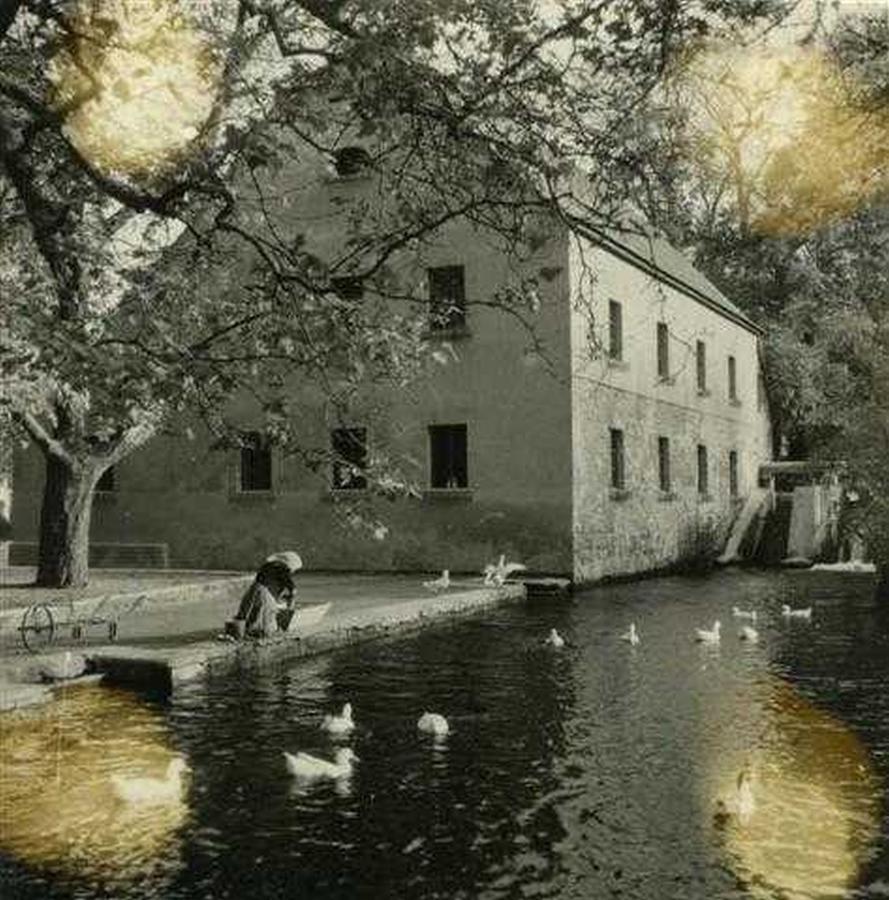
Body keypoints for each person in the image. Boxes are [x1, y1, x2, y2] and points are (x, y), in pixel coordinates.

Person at [234, 551, 303, 637]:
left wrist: (281, 596)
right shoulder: (283, 570)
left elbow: (267, 582)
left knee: (246, 612)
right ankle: (257, 633)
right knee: (264, 619)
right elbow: (292, 589)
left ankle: (238, 633)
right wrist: (290, 602)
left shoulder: (267, 567)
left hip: (254, 590)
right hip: (264, 594)